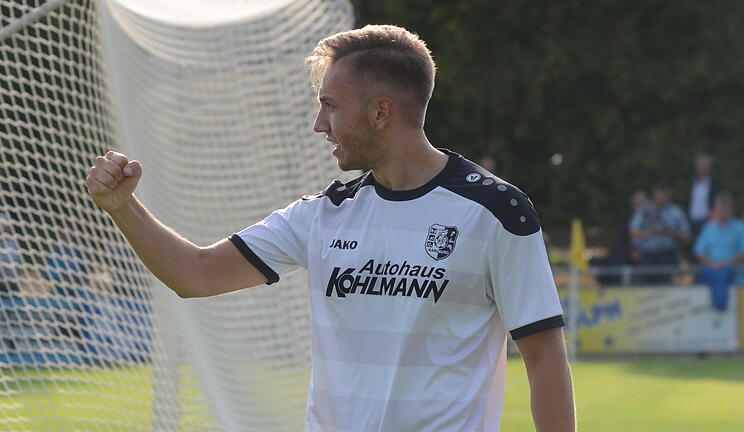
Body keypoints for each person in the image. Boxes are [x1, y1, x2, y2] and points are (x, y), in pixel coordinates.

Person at [85, 25, 574, 432]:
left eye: (331, 106)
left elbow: (545, 359)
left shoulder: (496, 210)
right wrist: (123, 208)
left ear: (381, 112)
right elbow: (198, 273)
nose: (319, 124)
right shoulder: (324, 213)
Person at [694, 193, 744, 311]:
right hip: (711, 273)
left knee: (724, 273)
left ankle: (720, 302)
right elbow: (699, 252)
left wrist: (727, 263)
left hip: (734, 279)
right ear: (715, 210)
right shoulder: (708, 228)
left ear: (731, 210)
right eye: (719, 209)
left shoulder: (739, 227)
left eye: (725, 209)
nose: (722, 212)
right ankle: (719, 301)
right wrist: (712, 264)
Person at [630, 185, 690, 284]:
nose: (659, 198)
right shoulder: (644, 210)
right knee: (645, 287)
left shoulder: (676, 212)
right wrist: (652, 232)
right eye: (657, 195)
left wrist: (671, 232)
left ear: (668, 196)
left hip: (667, 255)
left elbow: (686, 236)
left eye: (663, 195)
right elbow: (633, 232)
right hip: (647, 255)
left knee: (665, 287)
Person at [686, 154, 722, 239]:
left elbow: (718, 204)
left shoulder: (715, 186)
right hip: (691, 222)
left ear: (709, 167)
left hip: (708, 222)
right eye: (699, 165)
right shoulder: (691, 185)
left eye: (703, 165)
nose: (701, 168)